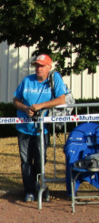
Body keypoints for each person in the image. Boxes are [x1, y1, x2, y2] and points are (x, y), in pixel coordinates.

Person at [13, 54, 67, 202]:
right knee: (25, 161)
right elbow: (15, 100)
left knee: (40, 160)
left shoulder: (54, 79)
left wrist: (40, 107)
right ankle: (29, 190)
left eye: (42, 66)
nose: (38, 68)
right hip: (24, 127)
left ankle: (40, 187)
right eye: (37, 65)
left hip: (42, 129)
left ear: (49, 68)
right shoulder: (27, 81)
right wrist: (25, 109)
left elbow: (61, 99)